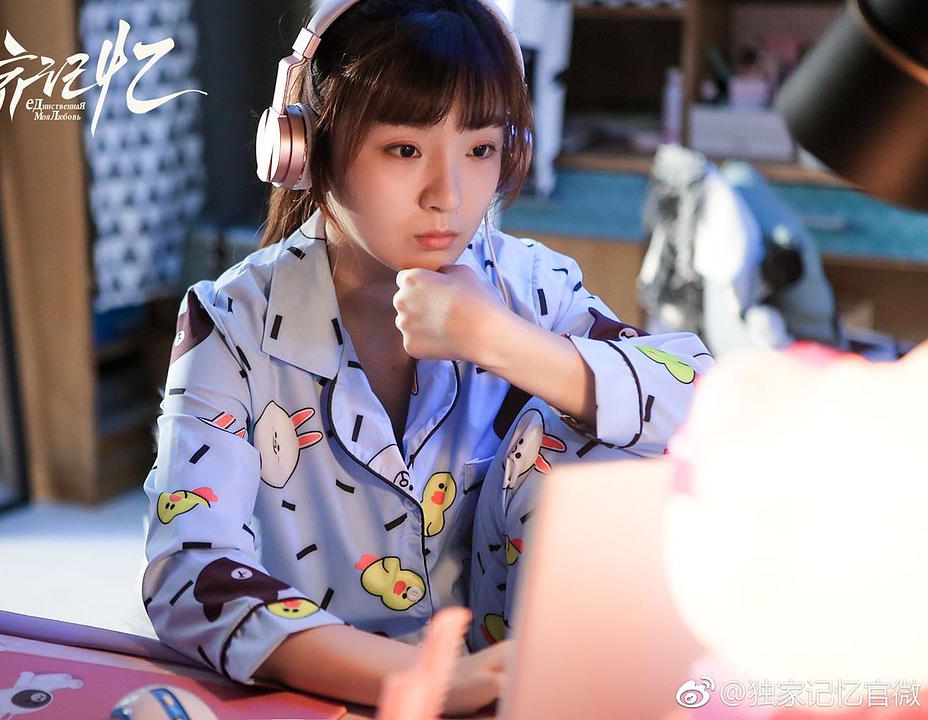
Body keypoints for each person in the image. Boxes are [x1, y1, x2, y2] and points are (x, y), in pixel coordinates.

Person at [141, 0, 712, 713]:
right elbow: (188, 570)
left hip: (517, 691)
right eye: (405, 150)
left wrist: (501, 341)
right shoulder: (231, 323)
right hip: (331, 693)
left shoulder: (529, 285)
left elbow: (710, 412)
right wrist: (431, 682)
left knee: (604, 432)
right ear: (306, 147)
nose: (449, 195)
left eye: (480, 149)